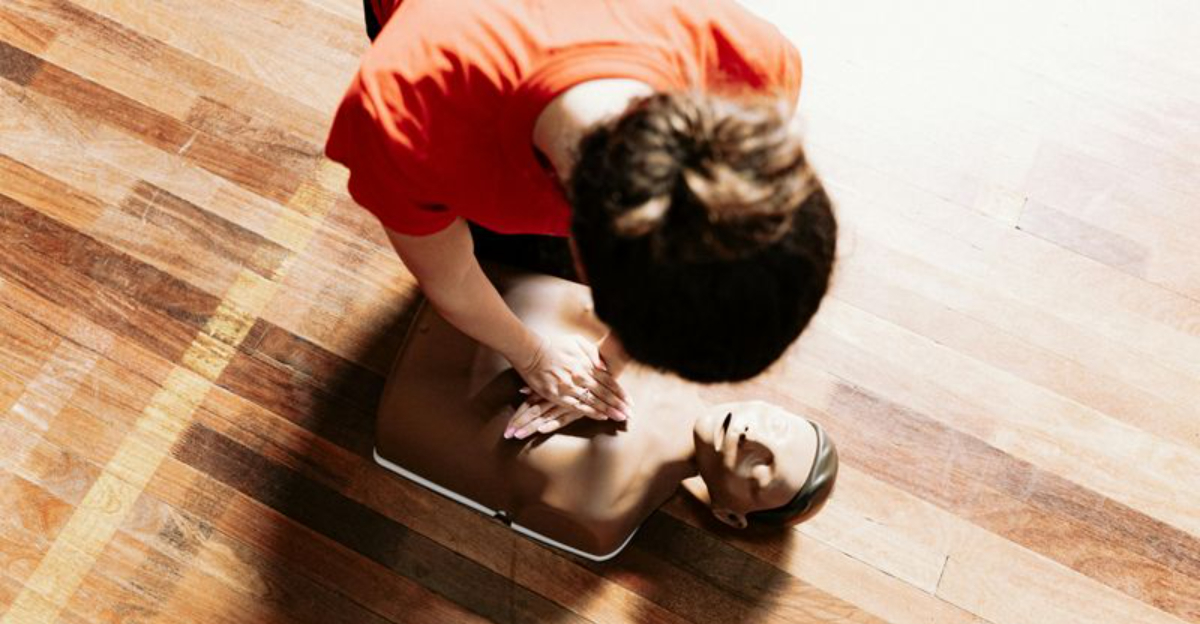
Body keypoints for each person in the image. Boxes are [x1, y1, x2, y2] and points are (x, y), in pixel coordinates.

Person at [328, 0, 838, 433]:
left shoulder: (756, 63)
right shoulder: (405, 116)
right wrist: (533, 355)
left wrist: (604, 364)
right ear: (573, 247)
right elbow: (453, 276)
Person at [375, 266, 838, 559]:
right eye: (776, 424)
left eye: (762, 468)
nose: (752, 435)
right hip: (448, 275)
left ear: (730, 515)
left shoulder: (606, 511)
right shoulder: (666, 336)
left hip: (410, 388)